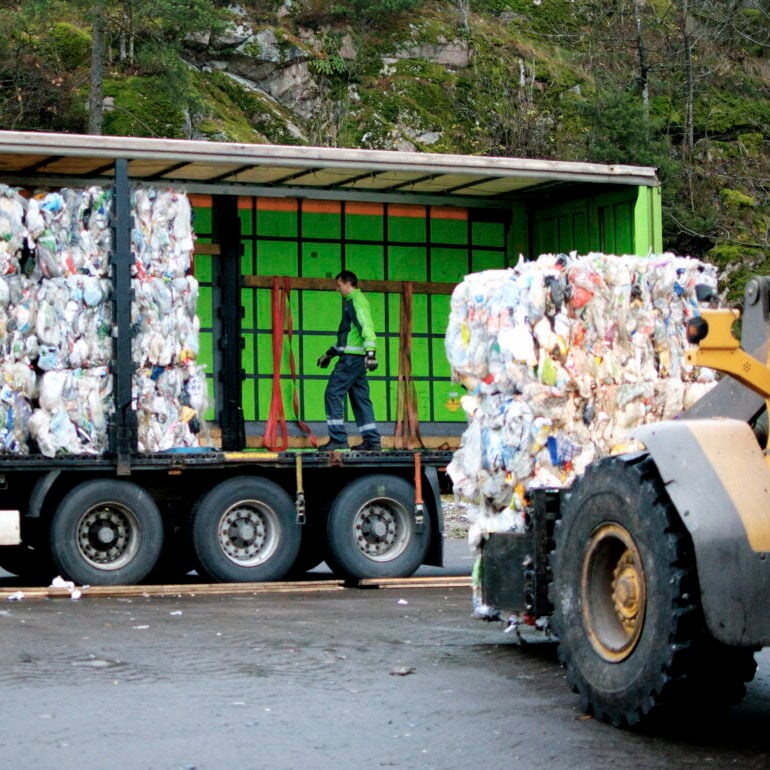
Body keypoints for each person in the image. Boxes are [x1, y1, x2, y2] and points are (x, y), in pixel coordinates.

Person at [316, 270, 382, 451]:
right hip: (356, 359)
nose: (337, 290)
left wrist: (371, 353)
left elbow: (367, 327)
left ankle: (337, 438)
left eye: (339, 285)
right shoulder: (354, 302)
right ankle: (372, 441)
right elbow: (349, 338)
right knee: (361, 399)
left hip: (352, 361)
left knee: (332, 393)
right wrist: (329, 354)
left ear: (347, 284)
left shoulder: (356, 302)